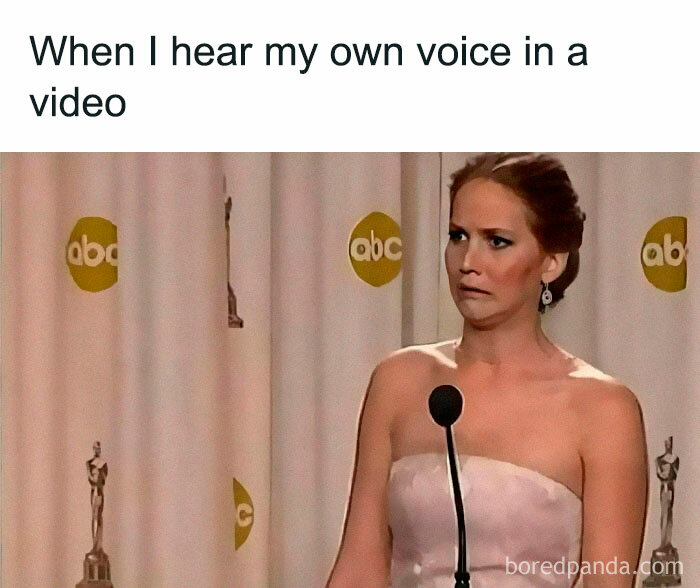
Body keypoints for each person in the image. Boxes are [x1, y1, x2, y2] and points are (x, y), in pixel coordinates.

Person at [326, 153, 649, 588]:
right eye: (458, 236)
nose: (468, 261)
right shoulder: (398, 382)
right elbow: (358, 569)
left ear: (551, 261)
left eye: (496, 241)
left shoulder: (604, 410)